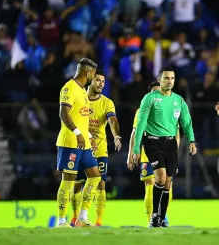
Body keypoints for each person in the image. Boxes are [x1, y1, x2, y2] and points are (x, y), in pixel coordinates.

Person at [132, 67, 197, 227]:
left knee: (167, 182)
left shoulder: (178, 100)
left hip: (170, 143)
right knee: (160, 177)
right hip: (152, 141)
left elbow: (186, 122)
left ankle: (161, 217)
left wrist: (192, 140)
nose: (169, 81)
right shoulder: (150, 98)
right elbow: (140, 124)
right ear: (160, 79)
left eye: (172, 78)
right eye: (166, 78)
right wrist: (136, 148)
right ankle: (154, 215)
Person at [70, 71, 122, 227]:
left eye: (103, 81)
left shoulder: (107, 102)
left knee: (100, 183)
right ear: (90, 81)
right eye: (98, 80)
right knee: (78, 183)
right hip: (80, 146)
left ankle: (98, 222)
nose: (101, 84)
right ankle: (74, 218)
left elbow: (112, 120)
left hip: (99, 148)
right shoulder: (79, 99)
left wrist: (116, 136)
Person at [55, 57, 101, 228]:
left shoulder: (82, 90)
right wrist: (77, 133)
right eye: (93, 74)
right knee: (68, 180)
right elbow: (64, 114)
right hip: (70, 142)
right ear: (87, 73)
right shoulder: (69, 88)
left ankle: (82, 217)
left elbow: (79, 117)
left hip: (84, 143)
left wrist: (88, 135)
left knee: (95, 176)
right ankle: (61, 221)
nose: (93, 77)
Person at [127, 81, 179, 225]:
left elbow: (176, 131)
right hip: (147, 153)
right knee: (151, 183)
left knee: (167, 184)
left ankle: (163, 216)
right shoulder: (142, 110)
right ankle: (151, 218)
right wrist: (131, 153)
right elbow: (134, 132)